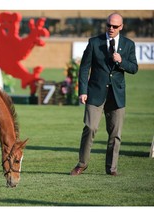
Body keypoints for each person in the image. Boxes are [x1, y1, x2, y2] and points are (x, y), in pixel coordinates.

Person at [70, 13, 138, 176]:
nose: (111, 29)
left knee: (115, 134)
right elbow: (85, 68)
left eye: (115, 26)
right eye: (109, 25)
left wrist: (121, 61)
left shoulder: (129, 45)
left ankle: (111, 168)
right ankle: (82, 163)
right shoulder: (94, 42)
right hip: (95, 93)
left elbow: (134, 68)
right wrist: (83, 91)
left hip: (117, 95)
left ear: (121, 27)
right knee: (90, 127)